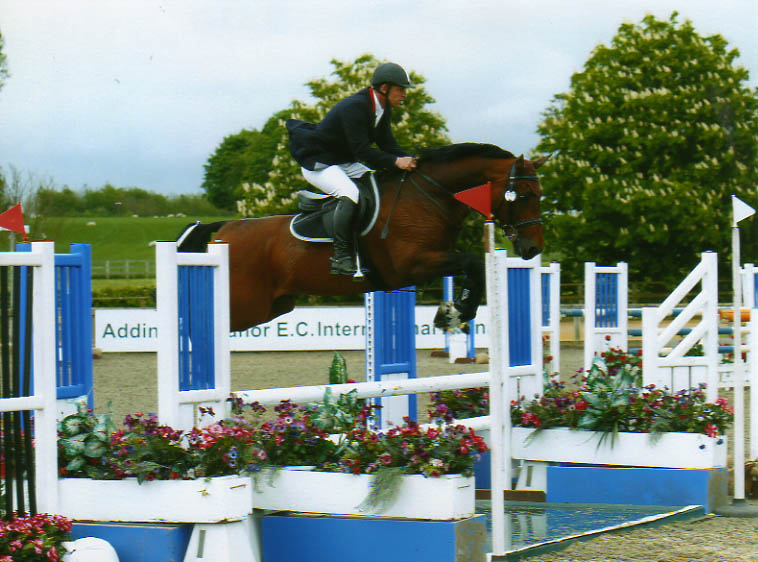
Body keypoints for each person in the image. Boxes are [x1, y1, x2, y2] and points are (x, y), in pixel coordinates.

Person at [287, 62, 418, 275]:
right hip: (320, 163)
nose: (404, 94)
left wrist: (412, 160)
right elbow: (362, 151)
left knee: (376, 184)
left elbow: (388, 145)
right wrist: (395, 162)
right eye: (401, 89)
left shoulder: (382, 109)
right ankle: (341, 257)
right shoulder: (355, 107)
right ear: (384, 88)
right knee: (351, 193)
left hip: (343, 162)